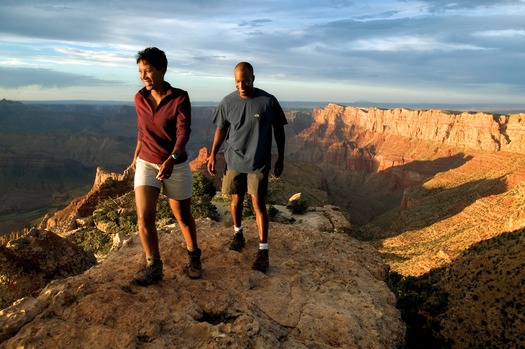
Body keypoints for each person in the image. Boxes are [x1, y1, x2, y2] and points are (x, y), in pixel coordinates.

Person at [131, 47, 202, 286]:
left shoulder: (180, 97)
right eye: (140, 71)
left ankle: (193, 256)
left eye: (148, 71)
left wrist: (172, 158)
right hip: (147, 163)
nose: (143, 76)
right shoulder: (139, 98)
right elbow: (142, 130)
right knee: (144, 216)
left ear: (162, 69)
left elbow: (184, 131)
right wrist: (136, 155)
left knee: (182, 216)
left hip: (176, 164)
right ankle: (154, 266)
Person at [207, 62, 287, 272]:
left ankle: (263, 250)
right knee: (235, 199)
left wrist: (281, 158)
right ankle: (238, 233)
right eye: (238, 81)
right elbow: (221, 130)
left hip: (258, 161)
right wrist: (213, 154)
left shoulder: (268, 101)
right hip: (234, 160)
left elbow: (279, 131)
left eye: (246, 80)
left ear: (253, 78)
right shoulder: (227, 102)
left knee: (258, 204)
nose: (241, 85)